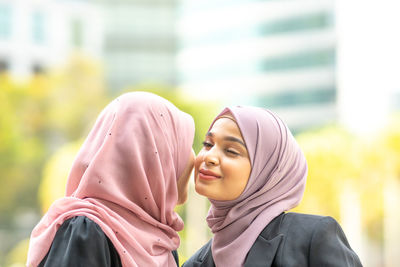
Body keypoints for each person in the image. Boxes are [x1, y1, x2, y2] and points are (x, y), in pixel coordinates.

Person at [27, 92, 196, 267]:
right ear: (149, 157)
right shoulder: (87, 233)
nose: (193, 156)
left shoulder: (159, 242)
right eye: (180, 143)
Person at [183, 106, 362, 267]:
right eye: (208, 144)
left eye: (231, 151)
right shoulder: (195, 263)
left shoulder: (311, 239)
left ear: (268, 168)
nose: (209, 157)